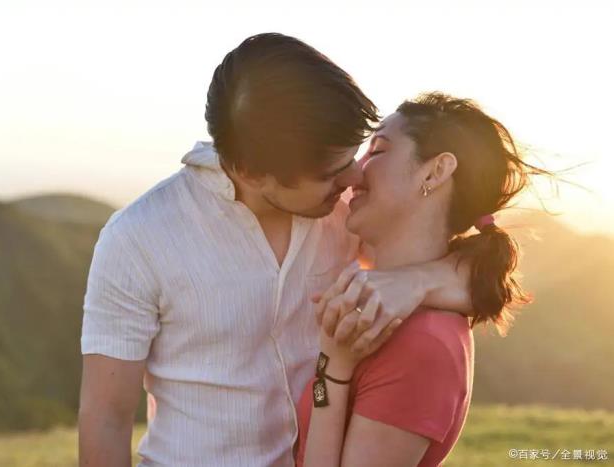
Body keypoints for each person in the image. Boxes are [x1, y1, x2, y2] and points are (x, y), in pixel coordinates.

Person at [78, 34, 471, 467]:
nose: (354, 178)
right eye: (331, 172)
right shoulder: (137, 239)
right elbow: (106, 419)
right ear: (250, 172)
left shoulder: (348, 212)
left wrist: (417, 282)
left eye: (353, 156)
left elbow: (477, 270)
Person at [296, 93, 550, 467]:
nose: (355, 171)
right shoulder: (375, 302)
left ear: (434, 172)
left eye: (377, 151)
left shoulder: (424, 345)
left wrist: (331, 369)